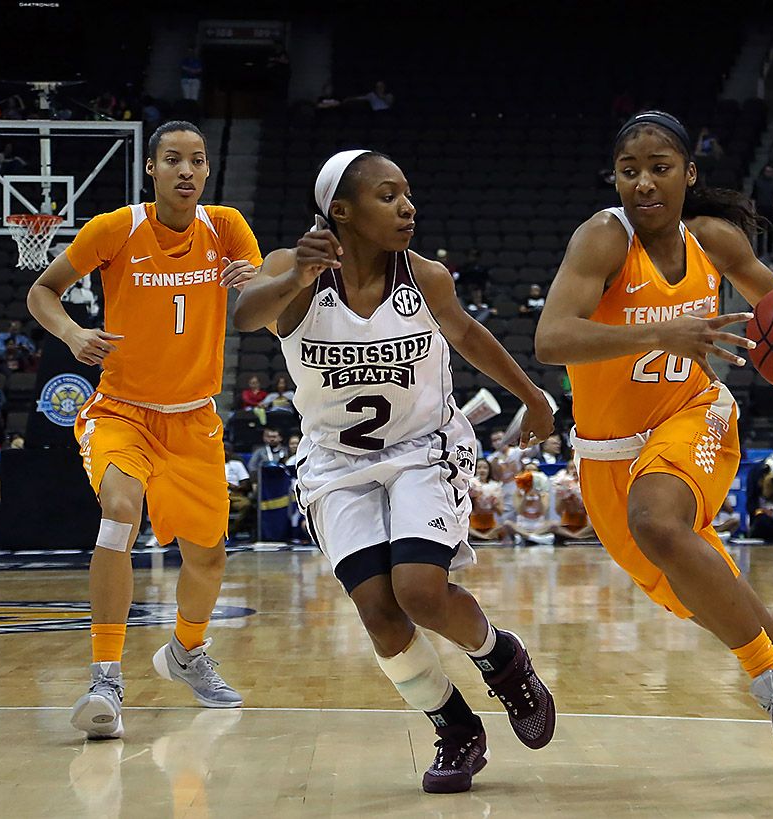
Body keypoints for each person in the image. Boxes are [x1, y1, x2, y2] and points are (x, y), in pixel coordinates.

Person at [534, 110, 773, 766]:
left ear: (689, 173)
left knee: (657, 521)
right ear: (615, 180)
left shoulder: (712, 240)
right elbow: (550, 339)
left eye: (659, 168)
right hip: (606, 456)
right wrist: (660, 333)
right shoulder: (602, 237)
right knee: (745, 616)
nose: (644, 183)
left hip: (695, 415)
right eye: (629, 172)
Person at [232, 149, 556, 793]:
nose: (407, 206)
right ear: (341, 212)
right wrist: (296, 273)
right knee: (379, 614)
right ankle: (456, 727)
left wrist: (534, 396)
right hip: (334, 463)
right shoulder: (294, 273)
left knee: (418, 590)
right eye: (388, 196)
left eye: (407, 193)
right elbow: (243, 317)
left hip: (421, 449)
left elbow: (466, 335)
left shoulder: (426, 277)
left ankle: (502, 658)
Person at [26, 120, 261, 739]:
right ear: (151, 170)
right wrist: (74, 334)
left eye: (198, 161)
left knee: (208, 558)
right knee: (119, 510)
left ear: (207, 172)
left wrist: (256, 282)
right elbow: (42, 291)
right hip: (121, 412)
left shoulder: (228, 227)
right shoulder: (116, 229)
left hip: (195, 419)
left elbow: (262, 304)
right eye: (174, 160)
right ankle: (106, 678)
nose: (187, 170)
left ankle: (185, 652)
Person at [550, 457, 595, 540]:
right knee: (552, 525)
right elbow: (558, 511)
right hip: (566, 525)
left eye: (576, 467)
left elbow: (588, 510)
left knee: (595, 526)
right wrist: (563, 496)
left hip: (585, 526)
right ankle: (576, 537)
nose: (574, 471)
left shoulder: (588, 485)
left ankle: (573, 537)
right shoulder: (561, 486)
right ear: (567, 472)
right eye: (571, 468)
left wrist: (577, 496)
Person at [468, 459, 505, 542]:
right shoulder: (469, 484)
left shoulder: (495, 486)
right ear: (474, 469)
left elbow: (500, 512)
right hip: (473, 525)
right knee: (463, 527)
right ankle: (485, 537)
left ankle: (485, 536)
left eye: (485, 467)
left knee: (504, 526)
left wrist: (493, 504)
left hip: (491, 525)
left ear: (489, 470)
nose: (482, 470)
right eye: (479, 467)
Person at [750, 164, 773, 257]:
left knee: (771, 231)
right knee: (760, 231)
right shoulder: (757, 182)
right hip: (760, 208)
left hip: (771, 209)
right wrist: (753, 208)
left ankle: (770, 252)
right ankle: (760, 253)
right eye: (767, 171)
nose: (768, 173)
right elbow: (753, 196)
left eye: (770, 171)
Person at [224, 443, 253, 539]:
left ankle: (231, 530)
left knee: (246, 504)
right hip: (217, 495)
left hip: (235, 495)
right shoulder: (211, 464)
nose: (225, 452)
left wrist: (231, 486)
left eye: (227, 450)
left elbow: (245, 484)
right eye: (223, 449)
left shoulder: (237, 464)